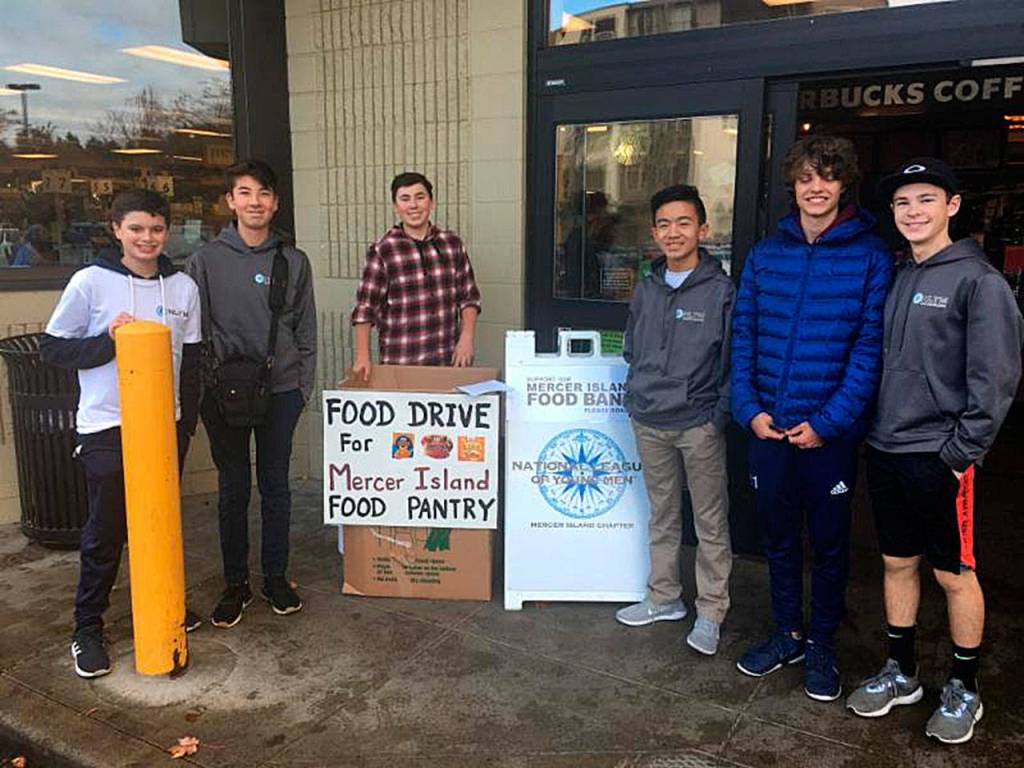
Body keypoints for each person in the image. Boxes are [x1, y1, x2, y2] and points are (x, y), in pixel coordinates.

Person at [846, 158, 1023, 744]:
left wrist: (959, 453)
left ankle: (965, 688)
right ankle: (903, 673)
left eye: (925, 199)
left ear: (952, 206)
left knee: (954, 572)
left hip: (940, 457)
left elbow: (994, 382)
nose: (912, 212)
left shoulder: (980, 281)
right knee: (897, 563)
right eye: (902, 203)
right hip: (887, 448)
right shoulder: (900, 275)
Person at [731, 135, 892, 701]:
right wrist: (748, 410)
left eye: (826, 177)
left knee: (828, 545)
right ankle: (787, 633)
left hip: (829, 437)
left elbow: (868, 352)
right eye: (805, 178)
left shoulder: (870, 255)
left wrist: (829, 421)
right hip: (767, 431)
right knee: (777, 540)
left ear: (843, 183)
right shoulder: (766, 254)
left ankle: (823, 643)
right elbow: (743, 337)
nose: (815, 188)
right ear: (793, 186)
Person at [40, 189, 202, 678]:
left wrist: (185, 424)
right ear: (116, 230)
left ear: (166, 231)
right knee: (107, 532)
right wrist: (107, 343)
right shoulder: (90, 282)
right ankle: (87, 628)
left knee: (160, 524)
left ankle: (162, 605)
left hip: (164, 424)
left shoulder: (183, 288)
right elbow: (53, 349)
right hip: (107, 424)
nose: (146, 238)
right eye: (135, 229)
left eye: (155, 228)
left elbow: (189, 362)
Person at [187, 159, 317, 628]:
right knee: (233, 489)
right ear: (231, 201)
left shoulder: (293, 261)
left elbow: (306, 332)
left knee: (276, 488)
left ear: (275, 202)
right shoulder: (204, 261)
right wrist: (202, 390)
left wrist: (301, 389)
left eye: (263, 193)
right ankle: (235, 583)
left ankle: (276, 577)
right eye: (245, 193)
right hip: (223, 393)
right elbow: (192, 331)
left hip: (280, 390)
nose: (255, 202)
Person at [616, 184, 735, 656]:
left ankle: (710, 612)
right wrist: (636, 394)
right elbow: (631, 346)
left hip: (697, 424)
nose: (674, 232)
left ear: (702, 230)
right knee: (662, 515)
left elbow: (731, 360)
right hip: (649, 419)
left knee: (710, 520)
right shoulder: (646, 287)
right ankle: (664, 597)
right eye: (664, 224)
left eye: (684, 222)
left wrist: (715, 416)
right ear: (654, 232)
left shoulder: (721, 291)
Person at [351, 171, 481, 379]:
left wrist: (467, 338)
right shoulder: (383, 250)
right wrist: (362, 355)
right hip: (401, 363)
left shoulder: (452, 244)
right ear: (396, 207)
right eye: (405, 199)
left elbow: (469, 296)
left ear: (431, 202)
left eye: (420, 197)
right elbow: (365, 309)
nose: (413, 205)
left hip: (447, 362)